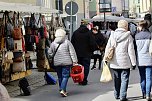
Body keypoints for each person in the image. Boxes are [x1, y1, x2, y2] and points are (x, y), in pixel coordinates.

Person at [103, 20, 136, 101]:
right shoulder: (128, 36)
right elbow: (131, 51)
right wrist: (134, 63)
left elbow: (108, 47)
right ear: (126, 26)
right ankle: (123, 96)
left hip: (114, 61)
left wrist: (105, 58)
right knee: (125, 79)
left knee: (117, 79)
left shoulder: (112, 35)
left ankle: (116, 94)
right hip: (125, 62)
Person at [48, 28, 78, 97]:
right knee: (65, 76)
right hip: (66, 63)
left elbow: (49, 53)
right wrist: (74, 61)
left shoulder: (53, 43)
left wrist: (53, 56)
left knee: (60, 76)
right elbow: (72, 52)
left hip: (57, 63)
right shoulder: (67, 42)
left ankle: (62, 89)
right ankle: (62, 89)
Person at [71, 20, 96, 85]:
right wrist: (92, 50)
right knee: (86, 67)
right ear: (87, 25)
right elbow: (92, 43)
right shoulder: (89, 33)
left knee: (79, 67)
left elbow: (72, 43)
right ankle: (84, 80)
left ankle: (79, 79)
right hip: (87, 53)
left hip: (77, 54)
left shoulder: (75, 33)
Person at [135, 20, 152, 101]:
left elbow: (135, 49)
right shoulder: (150, 35)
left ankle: (144, 93)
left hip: (140, 60)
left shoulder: (136, 36)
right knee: (149, 78)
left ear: (141, 26)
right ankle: (148, 94)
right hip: (149, 59)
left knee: (142, 77)